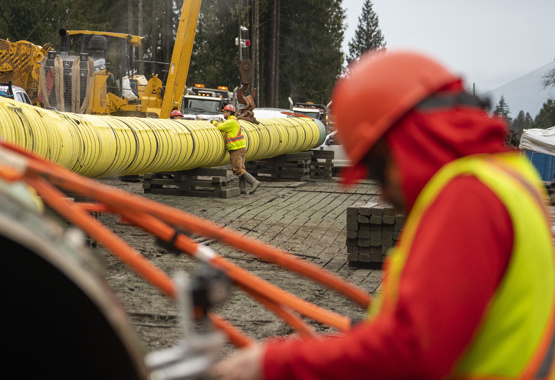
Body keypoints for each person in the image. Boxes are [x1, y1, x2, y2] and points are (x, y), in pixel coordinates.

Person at [211, 50, 555, 380]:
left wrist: (274, 364)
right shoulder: (509, 176)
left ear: (404, 142)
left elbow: (413, 351)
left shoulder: (467, 197)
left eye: (376, 169)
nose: (383, 194)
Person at [214, 104, 260, 194]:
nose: (223, 114)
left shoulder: (231, 122)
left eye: (224, 112)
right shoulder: (234, 121)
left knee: (237, 169)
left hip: (236, 148)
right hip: (241, 147)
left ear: (228, 113)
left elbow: (220, 127)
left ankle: (254, 182)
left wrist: (214, 122)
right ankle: (242, 189)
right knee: (241, 168)